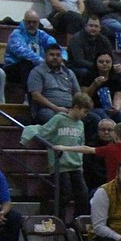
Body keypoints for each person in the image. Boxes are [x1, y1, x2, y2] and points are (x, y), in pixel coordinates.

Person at [22, 91, 92, 220]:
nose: (85, 115)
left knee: (83, 194)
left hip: (76, 164)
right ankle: (58, 221)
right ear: (76, 107)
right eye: (84, 111)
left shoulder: (81, 124)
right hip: (60, 164)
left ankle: (78, 222)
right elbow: (44, 131)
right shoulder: (59, 118)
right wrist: (32, 130)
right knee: (64, 194)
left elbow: (80, 143)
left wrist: (80, 162)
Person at [27, 43, 80, 124]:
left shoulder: (69, 73)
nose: (55, 57)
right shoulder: (37, 72)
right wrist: (56, 108)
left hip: (70, 108)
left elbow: (78, 94)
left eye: (58, 55)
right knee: (54, 117)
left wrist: (75, 109)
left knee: (92, 118)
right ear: (45, 56)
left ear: (62, 57)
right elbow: (36, 96)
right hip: (48, 109)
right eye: (52, 55)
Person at [3, 10, 59, 85]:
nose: (31, 24)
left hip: (38, 66)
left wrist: (62, 59)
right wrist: (43, 62)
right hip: (14, 67)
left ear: (38, 23)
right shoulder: (16, 34)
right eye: (28, 22)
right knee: (27, 63)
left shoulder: (42, 34)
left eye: (34, 22)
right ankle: (31, 94)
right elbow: (23, 52)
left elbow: (55, 47)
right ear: (24, 21)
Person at [82, 51, 121, 126]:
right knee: (102, 113)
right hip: (94, 108)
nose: (104, 64)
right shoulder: (88, 75)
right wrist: (94, 85)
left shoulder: (118, 76)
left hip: (110, 107)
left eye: (107, 62)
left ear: (112, 63)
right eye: (101, 62)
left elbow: (118, 96)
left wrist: (116, 108)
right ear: (96, 63)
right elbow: (84, 98)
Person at [68, 15, 114, 82]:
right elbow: (79, 61)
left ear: (100, 28)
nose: (93, 28)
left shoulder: (104, 40)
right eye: (91, 26)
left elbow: (111, 56)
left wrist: (115, 65)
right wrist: (98, 66)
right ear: (85, 26)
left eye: (96, 26)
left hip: (96, 66)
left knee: (118, 73)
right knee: (85, 72)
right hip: (76, 67)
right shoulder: (77, 39)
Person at [83, 117, 115, 189]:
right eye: (103, 129)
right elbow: (89, 171)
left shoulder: (119, 147)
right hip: (95, 186)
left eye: (109, 130)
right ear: (98, 131)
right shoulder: (90, 148)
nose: (106, 132)